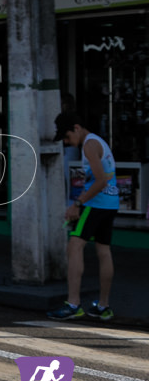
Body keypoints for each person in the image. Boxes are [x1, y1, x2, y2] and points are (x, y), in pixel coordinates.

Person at [48, 112, 118, 321]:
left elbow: (99, 181)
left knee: (74, 247)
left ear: (77, 128)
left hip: (94, 204)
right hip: (110, 204)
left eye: (67, 137)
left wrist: (77, 205)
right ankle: (103, 306)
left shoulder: (88, 145)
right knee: (104, 251)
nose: (68, 142)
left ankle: (73, 304)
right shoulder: (98, 142)